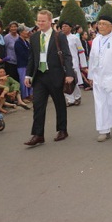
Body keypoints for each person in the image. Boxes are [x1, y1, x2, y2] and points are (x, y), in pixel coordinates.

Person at [24, 10, 74, 146]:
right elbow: (31, 58)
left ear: (50, 21)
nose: (40, 23)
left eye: (43, 21)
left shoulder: (59, 36)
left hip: (55, 75)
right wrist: (28, 75)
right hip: (39, 76)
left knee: (59, 103)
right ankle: (38, 134)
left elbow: (67, 55)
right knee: (38, 105)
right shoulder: (34, 37)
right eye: (38, 20)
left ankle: (62, 129)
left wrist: (69, 73)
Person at [60, 21, 87, 107]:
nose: (63, 28)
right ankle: (69, 99)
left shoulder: (75, 38)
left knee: (74, 81)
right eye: (62, 26)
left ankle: (77, 97)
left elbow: (81, 51)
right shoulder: (59, 38)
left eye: (66, 26)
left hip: (73, 62)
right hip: (62, 63)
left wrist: (83, 64)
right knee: (65, 82)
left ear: (70, 28)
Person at [14, 24, 33, 102]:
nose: (27, 32)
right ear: (21, 32)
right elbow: (22, 54)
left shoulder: (26, 41)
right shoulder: (18, 42)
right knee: (23, 80)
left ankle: (30, 94)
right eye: (25, 31)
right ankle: (24, 96)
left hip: (28, 64)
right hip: (22, 64)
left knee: (29, 79)